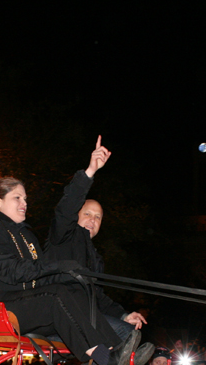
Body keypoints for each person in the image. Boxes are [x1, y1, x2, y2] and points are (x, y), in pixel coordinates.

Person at [0, 175, 153, 365]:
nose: (24, 203)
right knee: (57, 294)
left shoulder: (26, 235)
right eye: (17, 198)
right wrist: (60, 267)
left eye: (25, 198)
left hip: (18, 303)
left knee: (63, 293)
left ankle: (114, 357)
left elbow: (44, 278)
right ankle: (106, 360)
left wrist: (64, 274)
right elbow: (12, 271)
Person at [44, 135, 147, 341]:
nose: (93, 220)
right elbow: (65, 209)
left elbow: (96, 296)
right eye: (88, 214)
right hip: (55, 316)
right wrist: (90, 171)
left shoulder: (94, 257)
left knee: (127, 332)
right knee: (122, 335)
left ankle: (100, 364)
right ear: (76, 216)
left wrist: (124, 315)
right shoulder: (63, 236)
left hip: (81, 319)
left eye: (98, 217)